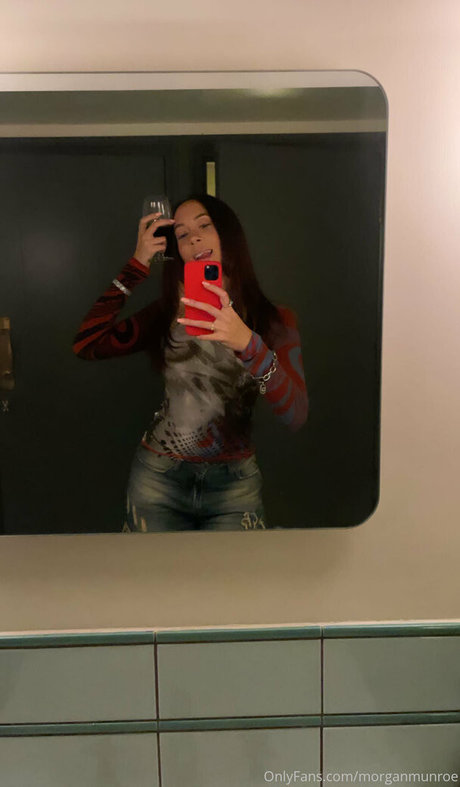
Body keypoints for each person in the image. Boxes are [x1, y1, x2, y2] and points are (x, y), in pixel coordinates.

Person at [73, 194, 308, 532]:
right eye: (182, 234)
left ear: (227, 234)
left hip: (234, 486)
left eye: (204, 226)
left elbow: (296, 413)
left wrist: (249, 344)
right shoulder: (168, 312)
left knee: (236, 570)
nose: (194, 238)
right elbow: (87, 344)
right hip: (159, 479)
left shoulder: (274, 321)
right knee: (154, 570)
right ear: (178, 251)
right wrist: (137, 265)